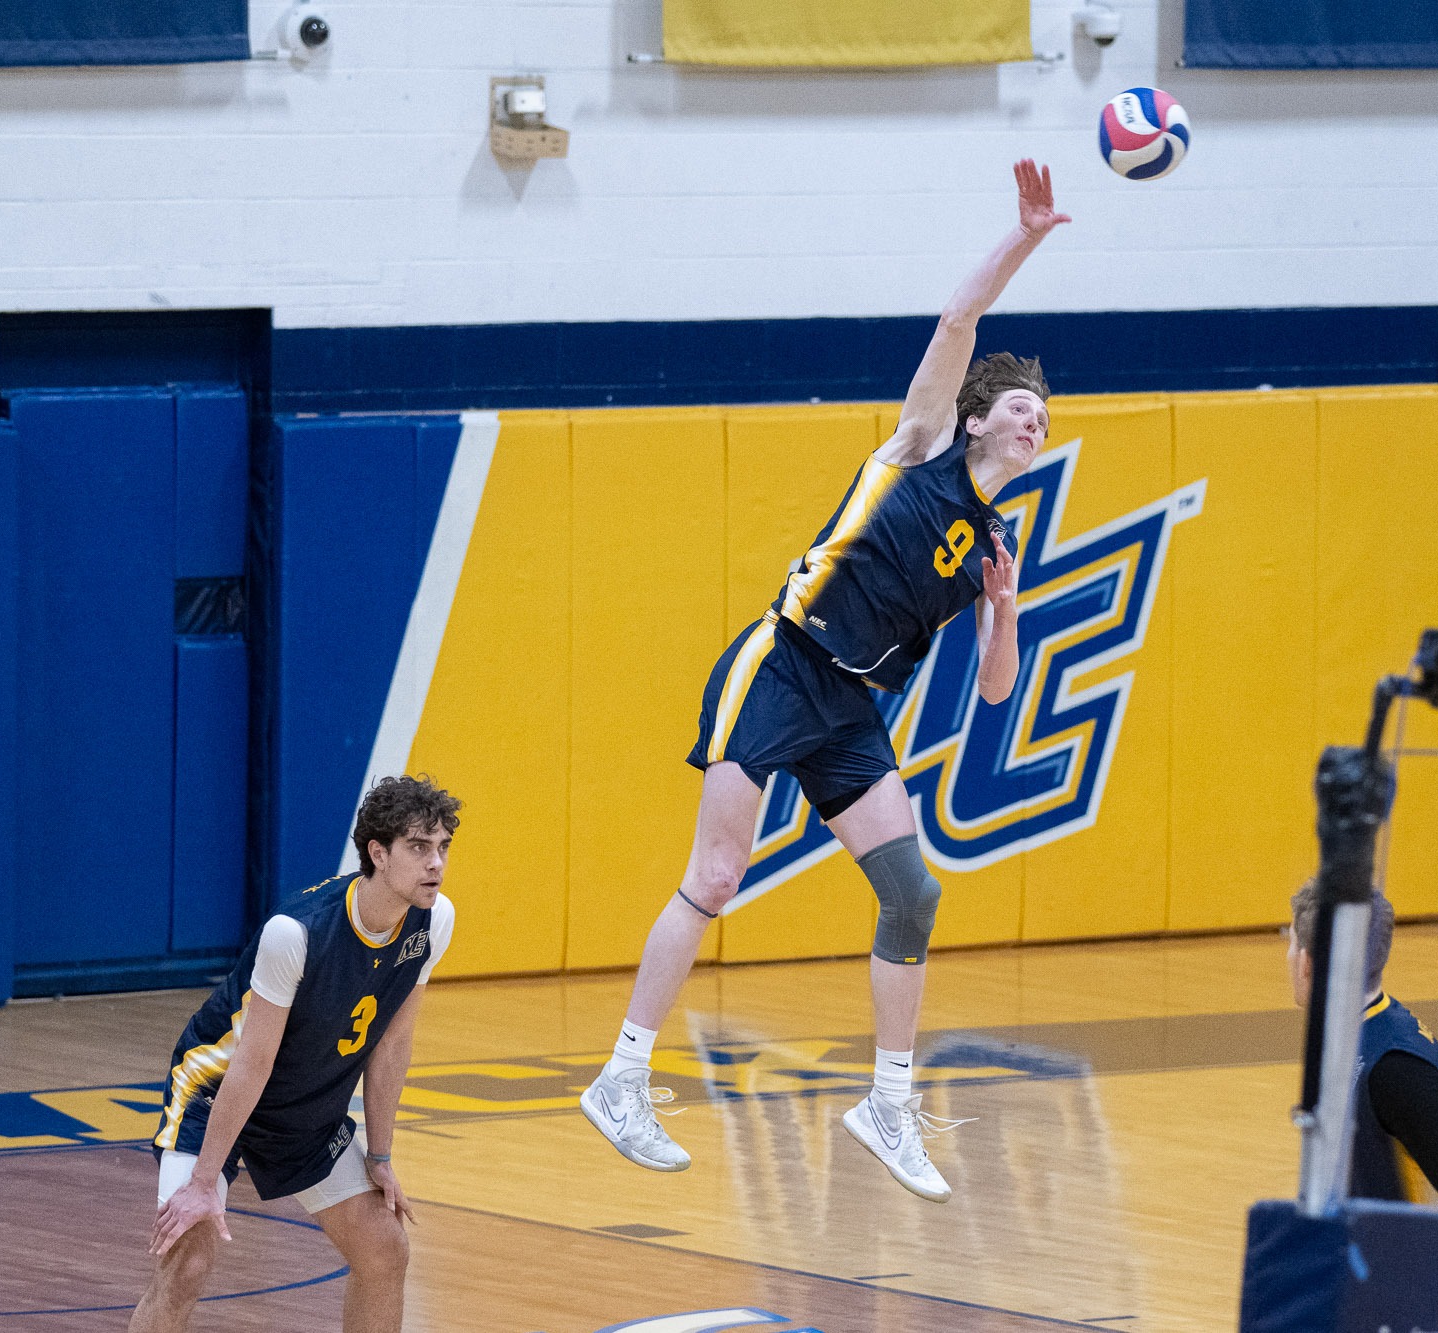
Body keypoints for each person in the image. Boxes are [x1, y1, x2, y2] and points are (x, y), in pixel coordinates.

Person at [582, 159, 1070, 1204]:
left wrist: (1004, 607)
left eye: (1044, 413)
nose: (1036, 420)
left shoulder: (995, 537)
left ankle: (886, 1102)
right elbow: (956, 317)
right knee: (715, 877)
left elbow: (992, 698)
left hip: (851, 709)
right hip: (781, 664)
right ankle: (621, 1076)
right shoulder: (921, 445)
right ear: (977, 419)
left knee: (912, 891)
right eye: (1021, 406)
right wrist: (1025, 234)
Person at [133, 776, 461, 1333]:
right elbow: (251, 1063)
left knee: (385, 1249)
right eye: (419, 847)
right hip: (216, 1094)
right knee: (188, 1261)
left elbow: (392, 1045)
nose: (436, 864)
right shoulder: (296, 932)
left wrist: (380, 1157)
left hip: (303, 1108)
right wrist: (202, 1183)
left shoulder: (434, 922)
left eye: (444, 847)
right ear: (378, 854)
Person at [1287, 883, 1438, 1333]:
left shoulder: (1395, 1068)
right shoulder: (1352, 1041)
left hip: (1409, 1310)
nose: (1287, 955)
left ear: (1309, 963)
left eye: (1289, 940)